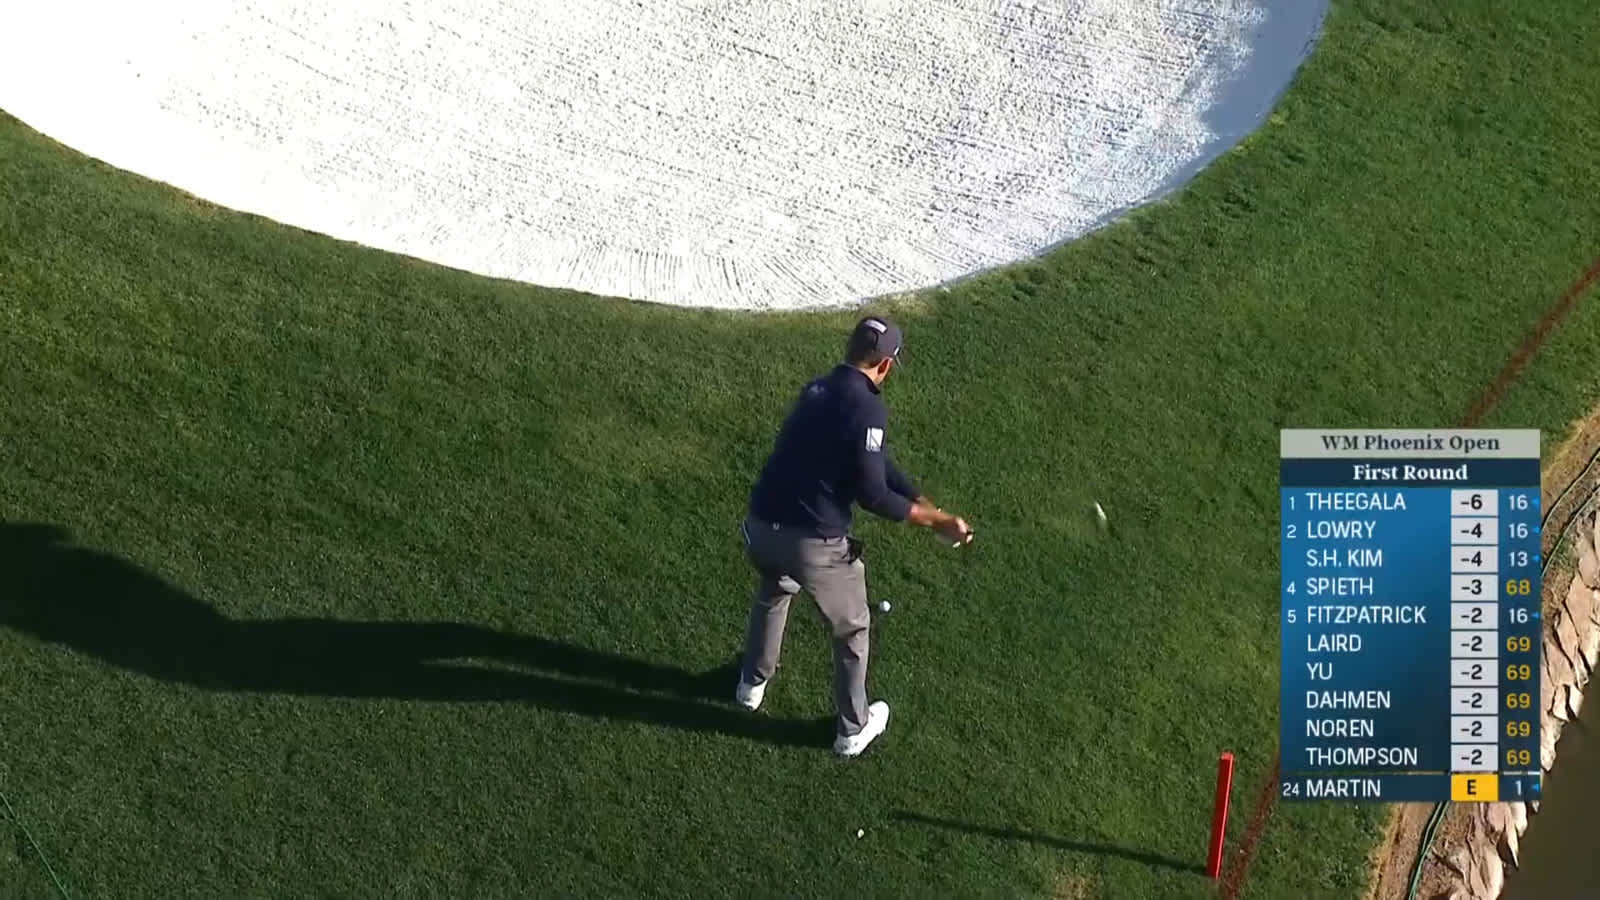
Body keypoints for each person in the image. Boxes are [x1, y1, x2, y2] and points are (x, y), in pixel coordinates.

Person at [735, 315, 974, 757]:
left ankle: (751, 684)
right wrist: (934, 522)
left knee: (775, 588)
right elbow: (873, 495)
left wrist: (930, 506)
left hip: (761, 528)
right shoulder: (867, 407)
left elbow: (877, 463)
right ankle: (852, 729)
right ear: (884, 365)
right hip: (813, 546)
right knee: (853, 629)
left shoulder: (817, 390)